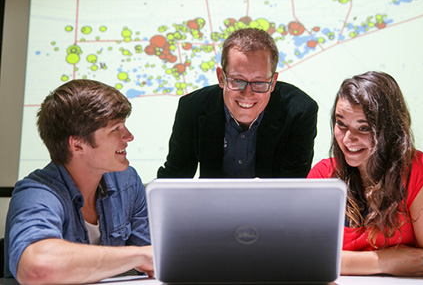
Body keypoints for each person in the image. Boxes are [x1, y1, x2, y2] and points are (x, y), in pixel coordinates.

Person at [4, 79, 154, 284]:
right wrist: (140, 256)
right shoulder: (35, 193)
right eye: (115, 129)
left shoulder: (127, 181)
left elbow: (155, 264)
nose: (128, 136)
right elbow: (36, 269)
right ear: (78, 144)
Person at [308, 71, 423, 277]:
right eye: (341, 124)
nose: (348, 139)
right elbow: (309, 259)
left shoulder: (418, 170)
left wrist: (343, 261)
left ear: (389, 130)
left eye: (363, 128)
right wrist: (388, 261)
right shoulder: (323, 175)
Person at [158, 28, 318, 178]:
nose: (247, 94)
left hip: (272, 206)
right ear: (221, 78)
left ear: (273, 82)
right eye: (237, 80)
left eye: (259, 82)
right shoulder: (192, 108)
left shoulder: (300, 112)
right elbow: (174, 179)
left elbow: (294, 187)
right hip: (211, 207)